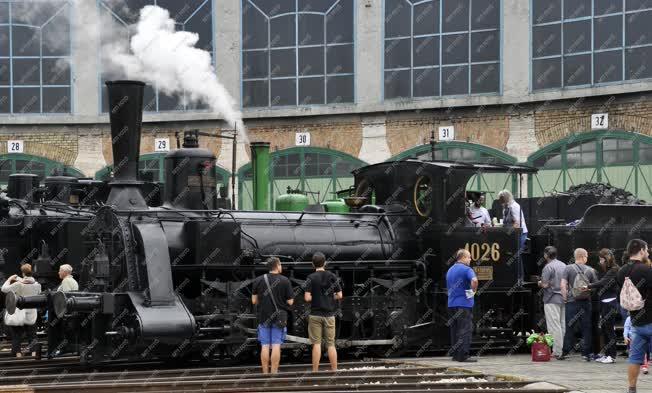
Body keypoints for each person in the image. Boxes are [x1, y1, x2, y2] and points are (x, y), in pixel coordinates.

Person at [616, 239, 652, 393]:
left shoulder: (621, 271)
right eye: (647, 250)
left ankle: (632, 389)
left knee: (635, 359)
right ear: (642, 250)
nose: (648, 253)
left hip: (636, 322)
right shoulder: (646, 270)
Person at [251, 257, 294, 374]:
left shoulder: (259, 280)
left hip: (263, 316)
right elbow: (290, 302)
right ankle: (274, 373)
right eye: (280, 265)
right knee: (276, 345)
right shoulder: (285, 280)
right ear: (277, 265)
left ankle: (265, 372)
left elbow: (254, 301)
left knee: (264, 345)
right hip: (279, 318)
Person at [304, 252, 343, 372]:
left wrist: (316, 297)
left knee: (316, 344)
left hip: (315, 314)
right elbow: (340, 295)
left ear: (312, 264)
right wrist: (330, 298)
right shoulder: (332, 276)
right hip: (329, 315)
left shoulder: (310, 277)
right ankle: (334, 370)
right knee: (331, 344)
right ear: (325, 263)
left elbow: (307, 298)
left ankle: (315, 371)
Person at [560, 248, 598, 361]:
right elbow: (595, 287)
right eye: (587, 256)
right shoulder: (591, 270)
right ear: (583, 256)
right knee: (586, 327)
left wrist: (565, 298)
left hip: (572, 302)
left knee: (569, 326)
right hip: (585, 303)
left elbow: (563, 285)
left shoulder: (568, 268)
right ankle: (586, 353)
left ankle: (565, 351)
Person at [586, 248, 620, 364]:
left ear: (607, 259)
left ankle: (612, 355)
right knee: (605, 329)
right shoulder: (608, 270)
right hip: (605, 302)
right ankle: (607, 354)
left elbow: (603, 282)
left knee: (609, 330)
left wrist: (589, 286)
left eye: (601, 259)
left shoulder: (614, 270)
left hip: (610, 303)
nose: (600, 262)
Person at [1, 264, 41, 357]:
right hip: (31, 312)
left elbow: (4, 289)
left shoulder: (19, 284)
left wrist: (9, 279)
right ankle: (34, 353)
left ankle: (18, 354)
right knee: (32, 335)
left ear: (23, 273)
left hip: (19, 312)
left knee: (16, 334)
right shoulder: (37, 285)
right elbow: (38, 294)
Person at [446, 249, 478, 362]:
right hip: (464, 304)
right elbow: (474, 280)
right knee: (465, 329)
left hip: (451, 304)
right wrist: (473, 291)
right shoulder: (467, 269)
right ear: (463, 258)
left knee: (454, 330)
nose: (470, 259)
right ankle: (463, 355)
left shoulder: (450, 270)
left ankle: (455, 355)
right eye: (469, 257)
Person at [537, 246, 566, 360]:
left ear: (546, 255)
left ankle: (557, 351)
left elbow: (544, 284)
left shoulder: (548, 267)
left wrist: (539, 282)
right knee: (562, 324)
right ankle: (562, 349)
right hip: (563, 297)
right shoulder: (563, 265)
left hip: (551, 298)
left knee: (554, 326)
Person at [498, 190, 527, 282]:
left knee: (517, 255)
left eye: (501, 199)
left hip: (520, 234)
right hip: (511, 234)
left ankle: (520, 278)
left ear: (505, 198)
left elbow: (517, 224)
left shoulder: (515, 207)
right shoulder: (505, 208)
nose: (500, 201)